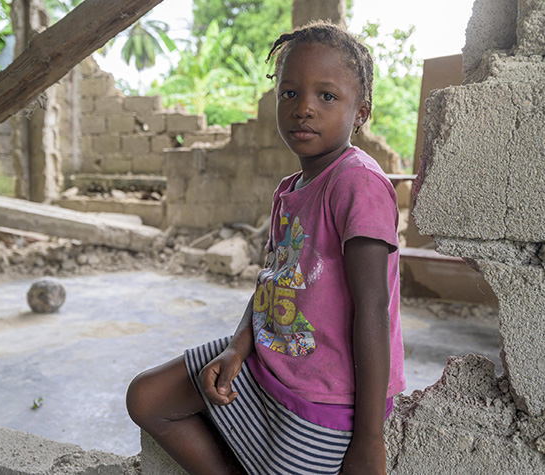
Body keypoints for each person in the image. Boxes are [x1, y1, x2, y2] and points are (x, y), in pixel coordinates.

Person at [126, 20, 405, 475]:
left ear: (362, 113)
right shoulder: (291, 188)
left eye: (327, 96)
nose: (304, 109)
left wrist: (369, 440)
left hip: (324, 399)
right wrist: (238, 346)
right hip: (267, 364)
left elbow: (374, 309)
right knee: (148, 397)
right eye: (290, 93)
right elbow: (272, 282)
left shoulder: (358, 184)